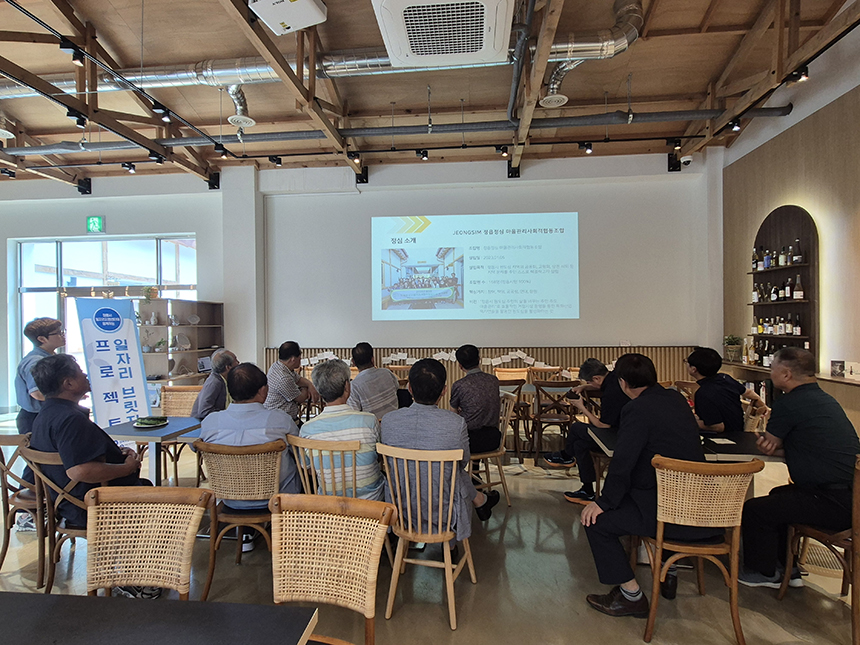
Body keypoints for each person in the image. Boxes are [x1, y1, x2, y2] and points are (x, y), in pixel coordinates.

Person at [580, 353, 720, 617]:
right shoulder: (676, 399)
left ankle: (631, 596)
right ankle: (669, 569)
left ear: (622, 383)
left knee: (595, 522)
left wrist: (603, 502)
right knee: (630, 501)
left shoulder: (636, 409)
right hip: (702, 508)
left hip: (666, 510)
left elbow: (623, 462)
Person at [28, 354, 158, 599]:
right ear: (68, 383)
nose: (85, 375)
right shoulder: (70, 419)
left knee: (147, 487)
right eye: (79, 372)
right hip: (91, 505)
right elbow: (80, 470)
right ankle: (133, 578)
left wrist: (116, 455)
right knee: (160, 498)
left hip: (64, 503)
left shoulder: (45, 416)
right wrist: (127, 467)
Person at [740, 347, 860, 588]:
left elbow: (771, 442)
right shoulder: (826, 400)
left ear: (786, 374)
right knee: (779, 497)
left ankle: (765, 573)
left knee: (755, 510)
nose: (770, 372)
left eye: (772, 368)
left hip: (832, 501)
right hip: (852, 498)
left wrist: (771, 445)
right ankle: (788, 568)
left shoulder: (789, 403)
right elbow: (808, 446)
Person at [381, 358, 500, 542]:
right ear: (444, 391)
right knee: (453, 471)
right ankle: (451, 544)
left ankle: (480, 502)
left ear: (409, 388)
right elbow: (463, 462)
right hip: (444, 513)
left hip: (401, 512)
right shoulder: (456, 423)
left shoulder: (389, 421)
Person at [201, 362, 302, 550]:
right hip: (277, 498)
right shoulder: (279, 420)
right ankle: (293, 542)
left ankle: (246, 532)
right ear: (263, 391)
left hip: (229, 499)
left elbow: (195, 449)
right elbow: (300, 454)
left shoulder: (210, 423)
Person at [543, 358, 630, 504]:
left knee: (577, 427)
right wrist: (584, 387)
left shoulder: (611, 394)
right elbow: (599, 385)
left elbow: (603, 426)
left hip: (618, 437)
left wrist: (581, 407)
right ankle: (587, 491)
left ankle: (567, 456)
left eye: (589, 382)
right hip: (620, 431)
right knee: (580, 445)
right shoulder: (615, 377)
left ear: (596, 378)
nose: (590, 384)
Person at [301, 359, 385, 500]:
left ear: (319, 390)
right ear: (347, 387)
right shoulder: (369, 421)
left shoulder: (307, 430)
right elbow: (379, 457)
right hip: (371, 503)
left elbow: (309, 469)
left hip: (330, 505)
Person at [685, 346, 764, 433]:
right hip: (738, 429)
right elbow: (749, 392)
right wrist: (763, 405)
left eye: (686, 362)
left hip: (726, 436)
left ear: (694, 369)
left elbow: (718, 427)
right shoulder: (725, 378)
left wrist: (690, 422)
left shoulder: (703, 393)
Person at [15, 317, 65, 435]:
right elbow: (37, 393)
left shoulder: (52, 357)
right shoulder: (35, 361)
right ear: (42, 339)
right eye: (58, 333)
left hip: (49, 413)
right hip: (35, 417)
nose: (63, 335)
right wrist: (66, 397)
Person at [450, 344, 501, 454]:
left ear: (460, 365)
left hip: (469, 441)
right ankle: (475, 465)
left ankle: (462, 466)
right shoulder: (494, 380)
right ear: (479, 359)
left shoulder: (459, 385)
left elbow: (453, 415)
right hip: (494, 439)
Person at [264, 341, 318, 424]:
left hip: (284, 417)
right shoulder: (283, 378)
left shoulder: (278, 366)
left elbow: (299, 380)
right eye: (299, 357)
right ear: (293, 359)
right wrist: (305, 387)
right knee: (307, 430)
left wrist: (310, 385)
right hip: (280, 421)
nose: (300, 360)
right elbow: (300, 398)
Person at [347, 342, 399, 421]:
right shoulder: (387, 373)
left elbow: (354, 414)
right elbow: (397, 388)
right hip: (394, 421)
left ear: (353, 362)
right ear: (372, 359)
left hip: (371, 426)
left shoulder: (354, 386)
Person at [190, 348, 238, 419]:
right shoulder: (214, 382)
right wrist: (227, 415)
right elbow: (204, 411)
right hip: (203, 423)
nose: (239, 363)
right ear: (228, 367)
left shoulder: (226, 379)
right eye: (236, 360)